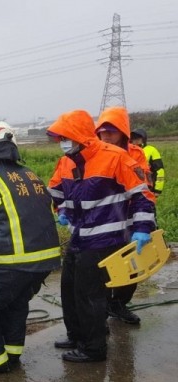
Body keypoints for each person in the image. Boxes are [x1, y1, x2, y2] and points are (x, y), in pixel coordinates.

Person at [47, 110, 156, 363]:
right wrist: (61, 210)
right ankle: (76, 336)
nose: (62, 142)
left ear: (80, 136)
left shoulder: (116, 157)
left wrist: (142, 229)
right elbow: (56, 191)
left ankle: (94, 348)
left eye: (66, 136)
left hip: (106, 238)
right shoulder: (67, 161)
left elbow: (142, 195)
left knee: (90, 294)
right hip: (78, 236)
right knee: (70, 289)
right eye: (60, 138)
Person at [0, 122, 61, 375]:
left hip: (10, 260)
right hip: (45, 261)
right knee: (15, 301)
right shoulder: (30, 175)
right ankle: (12, 354)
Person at [95, 107, 150, 325]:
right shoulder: (93, 154)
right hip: (103, 219)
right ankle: (98, 315)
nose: (106, 136)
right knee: (100, 270)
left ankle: (118, 304)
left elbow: (144, 189)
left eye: (112, 132)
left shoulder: (135, 154)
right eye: (103, 132)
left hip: (130, 218)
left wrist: (144, 225)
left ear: (123, 133)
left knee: (132, 267)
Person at [130, 128, 165, 196]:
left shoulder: (151, 150)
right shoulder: (128, 150)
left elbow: (160, 171)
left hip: (147, 188)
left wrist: (158, 189)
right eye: (134, 138)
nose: (136, 140)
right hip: (131, 188)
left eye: (138, 138)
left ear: (144, 139)